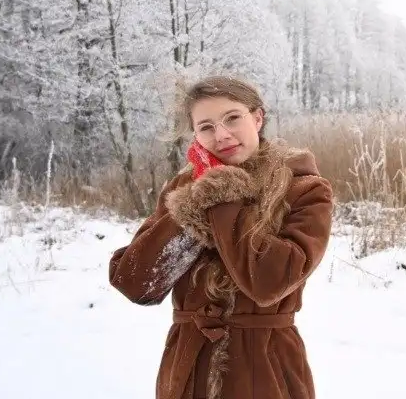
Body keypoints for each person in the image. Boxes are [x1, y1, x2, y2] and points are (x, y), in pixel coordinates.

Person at [108, 75, 334, 399]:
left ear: (257, 118)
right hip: (186, 372)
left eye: (232, 118)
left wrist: (222, 197)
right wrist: (191, 208)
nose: (222, 135)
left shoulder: (304, 189)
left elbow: (269, 282)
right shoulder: (181, 190)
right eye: (206, 127)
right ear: (195, 135)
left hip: (266, 370)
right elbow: (136, 283)